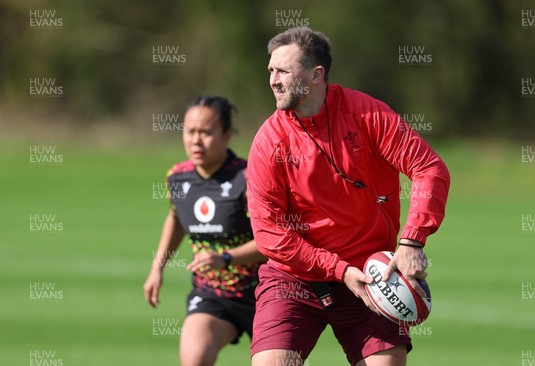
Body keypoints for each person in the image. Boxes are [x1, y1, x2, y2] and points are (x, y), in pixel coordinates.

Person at [246, 27, 450, 366]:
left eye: (282, 70)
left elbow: (429, 168)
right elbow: (268, 234)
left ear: (316, 75)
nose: (273, 80)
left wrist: (412, 241)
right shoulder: (269, 142)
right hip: (294, 278)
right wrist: (338, 270)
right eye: (270, 70)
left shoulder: (367, 114)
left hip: (373, 276)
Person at [143, 96, 265, 366]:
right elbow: (176, 217)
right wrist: (157, 268)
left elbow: (271, 242)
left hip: (265, 292)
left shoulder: (249, 178)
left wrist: (226, 258)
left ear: (227, 135)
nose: (196, 140)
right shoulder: (177, 177)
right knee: (194, 359)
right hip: (212, 293)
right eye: (190, 132)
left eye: (206, 132)